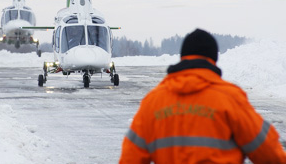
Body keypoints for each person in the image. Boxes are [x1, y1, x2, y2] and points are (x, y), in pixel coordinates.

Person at [119, 29, 286, 164]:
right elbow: (270, 155)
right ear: (213, 59)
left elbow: (130, 158)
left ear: (182, 57)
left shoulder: (153, 101)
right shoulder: (230, 98)